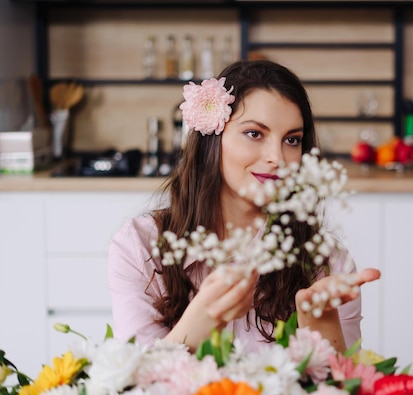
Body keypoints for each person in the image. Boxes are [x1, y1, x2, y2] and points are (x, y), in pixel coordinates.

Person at [107, 59, 380, 353]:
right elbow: (133, 388)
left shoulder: (327, 264)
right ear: (213, 139)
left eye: (292, 139)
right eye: (255, 133)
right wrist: (197, 325)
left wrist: (321, 322)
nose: (278, 157)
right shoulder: (141, 246)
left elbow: (344, 394)